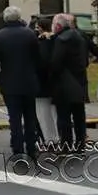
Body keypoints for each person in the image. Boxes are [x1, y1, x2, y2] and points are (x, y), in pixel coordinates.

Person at [0, 6, 41, 158]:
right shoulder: (30, 34)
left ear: (5, 18)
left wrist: (0, 80)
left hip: (9, 83)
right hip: (29, 82)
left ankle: (17, 148)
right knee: (30, 116)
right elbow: (38, 58)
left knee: (14, 118)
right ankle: (31, 147)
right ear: (19, 17)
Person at [50, 13, 89, 154]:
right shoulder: (79, 37)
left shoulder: (61, 40)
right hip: (80, 81)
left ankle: (66, 145)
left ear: (58, 26)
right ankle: (80, 144)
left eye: (53, 24)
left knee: (64, 116)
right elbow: (85, 59)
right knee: (79, 116)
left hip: (64, 83)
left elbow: (56, 63)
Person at [33, 17, 59, 149]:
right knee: (55, 112)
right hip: (55, 82)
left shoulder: (41, 43)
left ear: (41, 28)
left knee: (43, 114)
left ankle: (50, 139)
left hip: (41, 83)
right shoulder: (57, 40)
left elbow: (40, 63)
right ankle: (58, 137)